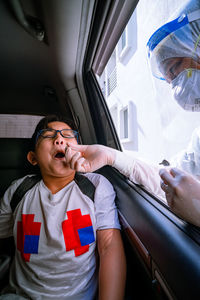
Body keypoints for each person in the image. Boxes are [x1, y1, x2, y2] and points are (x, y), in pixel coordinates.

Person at [0, 115, 126, 300]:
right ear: (33, 158)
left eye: (67, 135)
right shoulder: (18, 190)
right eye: (48, 135)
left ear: (81, 151)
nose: (59, 139)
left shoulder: (96, 186)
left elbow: (108, 246)